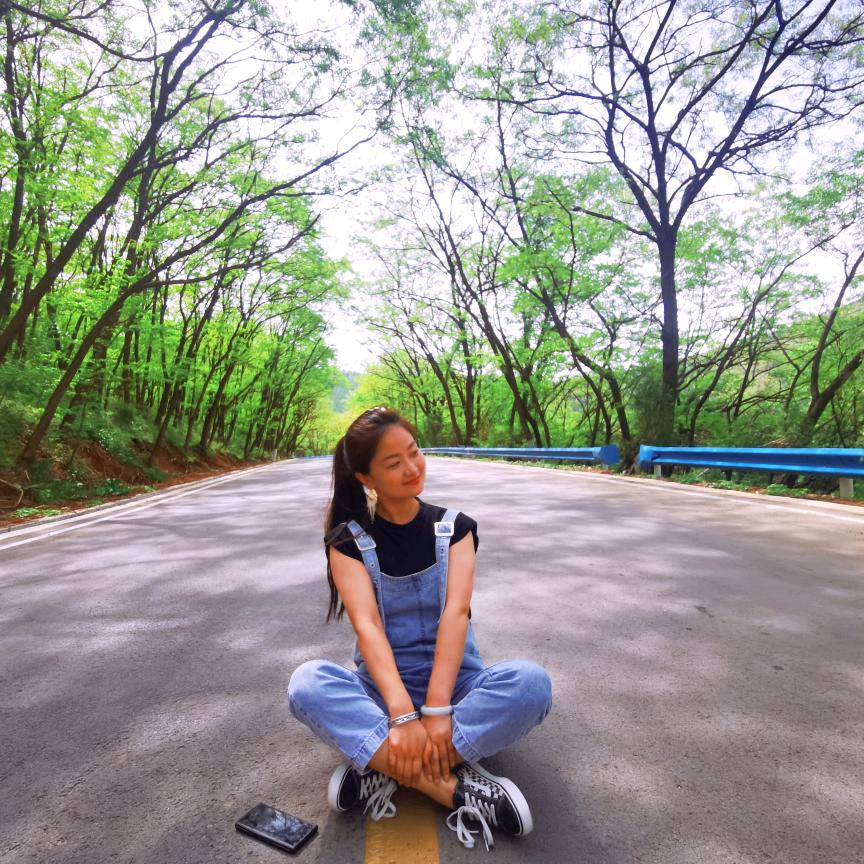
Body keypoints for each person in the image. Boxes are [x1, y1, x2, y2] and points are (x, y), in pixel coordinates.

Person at [287, 407, 553, 851]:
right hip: (381, 694)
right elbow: (368, 627)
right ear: (366, 477)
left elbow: (456, 614)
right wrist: (401, 716)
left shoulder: (456, 529)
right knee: (307, 683)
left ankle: (380, 763)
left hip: (458, 689)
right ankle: (451, 788)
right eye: (393, 463)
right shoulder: (347, 543)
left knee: (531, 684)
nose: (411, 468)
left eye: (414, 452)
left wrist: (433, 715)